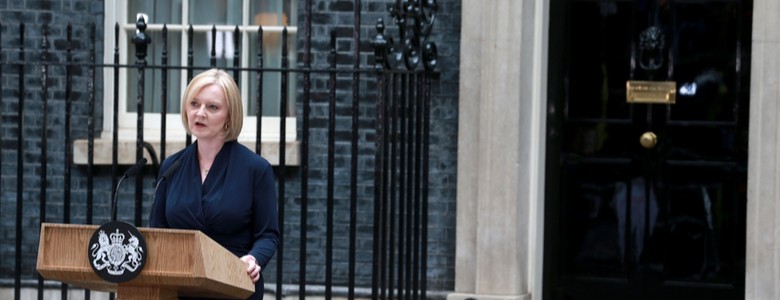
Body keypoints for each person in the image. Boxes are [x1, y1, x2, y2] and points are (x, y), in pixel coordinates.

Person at [150, 68, 279, 300]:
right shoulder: (171, 167)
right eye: (194, 104)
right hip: (180, 289)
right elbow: (157, 235)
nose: (200, 113)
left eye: (213, 107)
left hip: (233, 286)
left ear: (230, 116)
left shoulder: (256, 170)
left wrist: (254, 258)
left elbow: (268, 235)